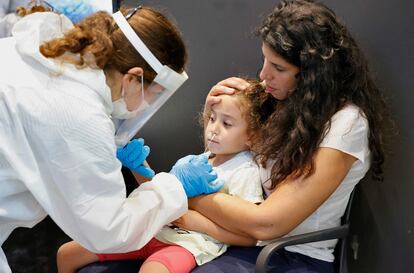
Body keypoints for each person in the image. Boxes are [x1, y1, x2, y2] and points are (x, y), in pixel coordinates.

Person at [78, 0, 392, 272]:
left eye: (278, 67)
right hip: (231, 236)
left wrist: (185, 194)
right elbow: (222, 165)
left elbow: (267, 223)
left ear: (311, 73)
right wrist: (214, 114)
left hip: (290, 255)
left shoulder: (347, 124)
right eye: (265, 60)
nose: (264, 75)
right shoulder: (284, 102)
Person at [0, 4, 222, 273]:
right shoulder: (79, 113)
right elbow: (109, 231)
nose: (148, 103)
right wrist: (175, 185)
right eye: (154, 93)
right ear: (134, 77)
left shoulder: (50, 57)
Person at [55, 79, 275, 273]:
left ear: (252, 136)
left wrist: (199, 224)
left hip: (188, 244)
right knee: (67, 253)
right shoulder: (201, 159)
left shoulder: (244, 171)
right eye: (212, 119)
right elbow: (166, 194)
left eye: (226, 123)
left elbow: (249, 237)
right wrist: (140, 168)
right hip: (156, 230)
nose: (213, 129)